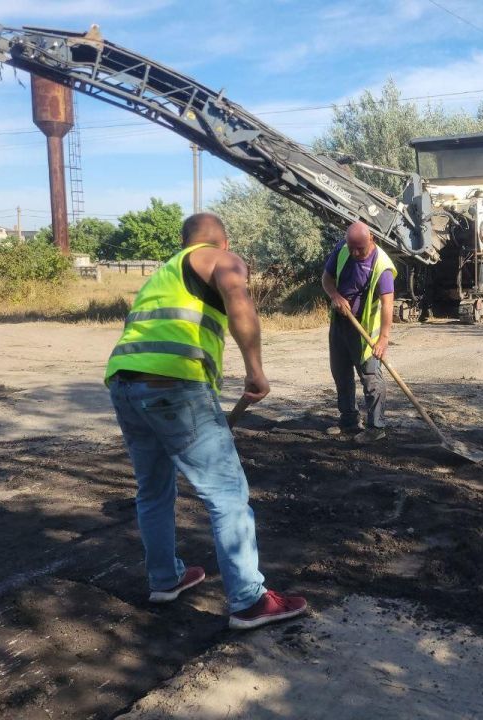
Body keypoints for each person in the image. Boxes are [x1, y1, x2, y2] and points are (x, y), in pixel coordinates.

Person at [105, 213, 307, 630]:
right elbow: (239, 301)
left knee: (153, 490)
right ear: (221, 239)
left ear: (183, 240)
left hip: (125, 386)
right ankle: (250, 600)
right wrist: (255, 369)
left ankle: (166, 579)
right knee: (227, 493)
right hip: (174, 387)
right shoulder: (220, 258)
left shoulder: (162, 274)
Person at [321, 221, 396, 443]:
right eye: (351, 247)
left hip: (365, 331)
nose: (354, 253)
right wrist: (334, 295)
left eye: (359, 249)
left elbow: (388, 304)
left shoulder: (382, 266)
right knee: (341, 374)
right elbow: (326, 279)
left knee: (371, 378)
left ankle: (376, 427)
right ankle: (349, 421)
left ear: (371, 239)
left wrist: (383, 339)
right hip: (340, 325)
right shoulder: (342, 250)